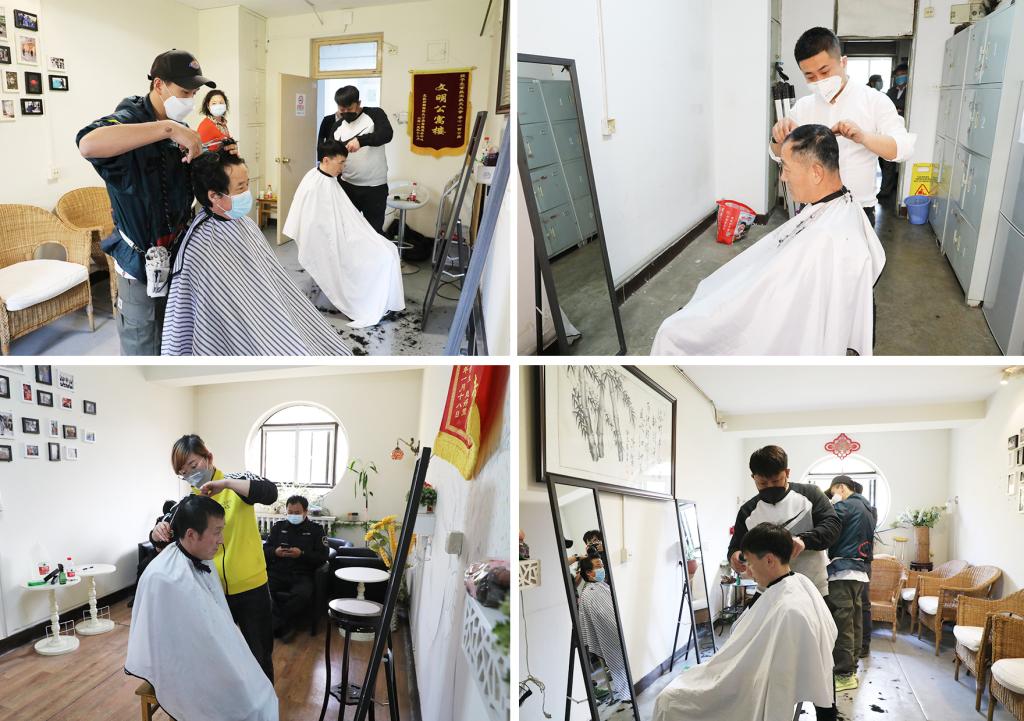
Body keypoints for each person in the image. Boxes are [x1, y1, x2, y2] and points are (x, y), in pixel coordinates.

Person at [652, 124, 885, 356]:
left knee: (671, 334)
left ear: (816, 172)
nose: (782, 176)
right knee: (714, 294)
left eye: (786, 168)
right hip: (768, 289)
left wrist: (712, 319)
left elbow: (768, 304)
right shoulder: (844, 204)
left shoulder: (822, 240)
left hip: (764, 312)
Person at [77, 50, 234, 356]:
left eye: (194, 94)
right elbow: (88, 144)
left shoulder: (180, 127)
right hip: (140, 265)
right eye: (185, 92)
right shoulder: (133, 119)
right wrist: (169, 129)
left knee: (177, 339)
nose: (190, 100)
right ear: (159, 84)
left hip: (177, 257)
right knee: (145, 346)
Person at [160, 149, 352, 355]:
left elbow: (272, 280)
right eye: (240, 187)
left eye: (247, 184)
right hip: (240, 330)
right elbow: (213, 315)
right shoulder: (201, 248)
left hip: (272, 313)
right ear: (214, 196)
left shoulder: (245, 224)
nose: (247, 192)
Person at [653, 523, 838, 721]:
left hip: (749, 682)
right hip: (745, 670)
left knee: (669, 701)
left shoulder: (789, 610)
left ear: (769, 560)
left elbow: (776, 678)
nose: (748, 571)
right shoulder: (798, 583)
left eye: (749, 563)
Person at [127, 495, 279, 721]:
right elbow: (172, 647)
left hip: (204, 655)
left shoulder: (201, 559)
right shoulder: (164, 578)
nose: (222, 540)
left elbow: (211, 626)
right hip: (183, 667)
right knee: (249, 705)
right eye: (217, 532)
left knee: (258, 690)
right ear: (191, 534)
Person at [149, 435, 279, 681]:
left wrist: (226, 484)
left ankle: (265, 702)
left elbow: (270, 493)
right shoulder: (191, 503)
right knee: (221, 659)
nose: (190, 475)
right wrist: (157, 532)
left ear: (208, 458)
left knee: (260, 655)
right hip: (212, 592)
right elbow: (162, 534)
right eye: (183, 473)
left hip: (252, 588)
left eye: (193, 465)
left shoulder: (237, 484)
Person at [770, 27, 916, 225]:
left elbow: (903, 149)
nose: (819, 81)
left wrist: (863, 137)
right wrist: (777, 137)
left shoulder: (874, 101)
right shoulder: (803, 107)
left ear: (843, 62)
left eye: (825, 71)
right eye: (810, 76)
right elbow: (778, 154)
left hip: (857, 211)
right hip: (811, 211)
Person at [283, 139, 405, 328]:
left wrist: (355, 232)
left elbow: (343, 216)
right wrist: (343, 239)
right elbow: (314, 226)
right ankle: (366, 304)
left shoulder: (328, 180)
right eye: (341, 163)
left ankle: (384, 301)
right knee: (383, 257)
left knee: (389, 249)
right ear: (326, 160)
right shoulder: (314, 184)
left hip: (346, 233)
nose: (343, 167)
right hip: (332, 240)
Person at [319, 85, 393, 234]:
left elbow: (386, 134)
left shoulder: (375, 114)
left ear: (358, 103)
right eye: (342, 109)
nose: (346, 113)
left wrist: (361, 140)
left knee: (373, 232)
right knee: (345, 229)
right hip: (347, 185)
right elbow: (331, 151)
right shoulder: (338, 126)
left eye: (350, 108)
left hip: (374, 187)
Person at [825, 475, 876, 691]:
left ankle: (844, 674)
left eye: (833, 492)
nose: (833, 497)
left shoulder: (845, 506)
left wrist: (832, 505)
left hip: (843, 571)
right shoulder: (868, 508)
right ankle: (852, 665)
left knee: (842, 624)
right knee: (855, 621)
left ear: (841, 488)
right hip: (860, 572)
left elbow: (827, 527)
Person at [265, 495, 329, 642]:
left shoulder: (316, 530)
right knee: (262, 590)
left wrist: (302, 554)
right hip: (278, 572)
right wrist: (275, 552)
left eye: (297, 512)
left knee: (302, 595)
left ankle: (279, 624)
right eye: (290, 512)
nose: (293, 515)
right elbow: (265, 549)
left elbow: (323, 556)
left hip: (302, 574)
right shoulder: (278, 527)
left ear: (305, 512)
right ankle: (284, 625)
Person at [576, 555, 632, 705]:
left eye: (602, 565)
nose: (602, 568)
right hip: (611, 634)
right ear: (589, 572)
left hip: (616, 631)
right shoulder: (590, 593)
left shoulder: (601, 586)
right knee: (620, 663)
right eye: (598, 566)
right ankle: (627, 693)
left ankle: (629, 690)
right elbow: (605, 617)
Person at [879, 63, 910, 199]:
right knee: (886, 161)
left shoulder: (911, 91)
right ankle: (886, 189)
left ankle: (894, 187)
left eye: (902, 75)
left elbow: (906, 107)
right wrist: (898, 109)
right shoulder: (891, 91)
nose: (899, 77)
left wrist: (898, 109)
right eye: (897, 75)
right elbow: (885, 107)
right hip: (888, 131)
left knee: (901, 161)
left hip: (904, 131)